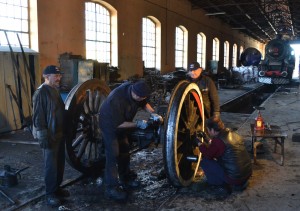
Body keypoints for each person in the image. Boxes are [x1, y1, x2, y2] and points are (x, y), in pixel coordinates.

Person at [99, 80, 163, 201]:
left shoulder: (138, 93)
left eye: (142, 97)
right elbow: (119, 124)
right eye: (138, 96)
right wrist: (137, 124)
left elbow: (143, 102)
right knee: (113, 155)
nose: (140, 99)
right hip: (109, 125)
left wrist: (153, 114)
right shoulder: (117, 99)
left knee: (124, 151)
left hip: (123, 122)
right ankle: (111, 188)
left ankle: (125, 178)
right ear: (133, 91)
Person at [32, 65, 70, 207]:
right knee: (51, 166)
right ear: (46, 77)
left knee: (60, 164)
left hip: (59, 134)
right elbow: (38, 117)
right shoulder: (41, 93)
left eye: (59, 76)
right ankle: (50, 194)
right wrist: (42, 136)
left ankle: (57, 188)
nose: (59, 78)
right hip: (49, 136)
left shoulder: (54, 90)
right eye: (56, 76)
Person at [194, 118, 252, 195]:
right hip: (246, 174)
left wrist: (199, 143)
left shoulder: (218, 141)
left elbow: (208, 154)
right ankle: (240, 183)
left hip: (234, 178)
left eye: (208, 130)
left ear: (212, 130)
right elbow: (217, 146)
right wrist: (206, 138)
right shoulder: (233, 133)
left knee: (205, 161)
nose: (208, 132)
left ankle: (219, 185)